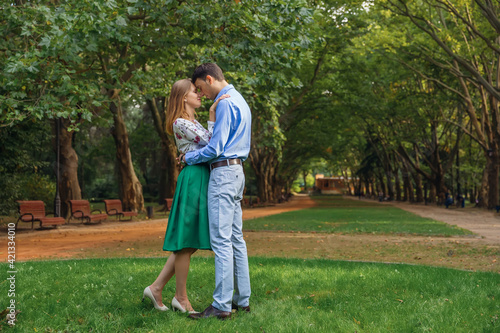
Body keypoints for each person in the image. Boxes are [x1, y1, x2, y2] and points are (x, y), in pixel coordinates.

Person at [142, 78, 227, 314]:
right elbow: (213, 143)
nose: (199, 94)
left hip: (200, 177)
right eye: (194, 91)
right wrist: (213, 113)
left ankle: (157, 288)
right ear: (183, 98)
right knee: (186, 241)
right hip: (193, 179)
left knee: (187, 243)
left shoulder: (193, 122)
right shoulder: (181, 122)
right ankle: (180, 297)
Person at [179, 63, 252, 320]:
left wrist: (189, 158)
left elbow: (215, 148)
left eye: (200, 87)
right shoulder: (240, 100)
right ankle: (242, 299)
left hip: (223, 174)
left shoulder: (223, 103)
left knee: (221, 240)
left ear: (209, 79)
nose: (202, 94)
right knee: (235, 239)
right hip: (237, 173)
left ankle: (221, 305)